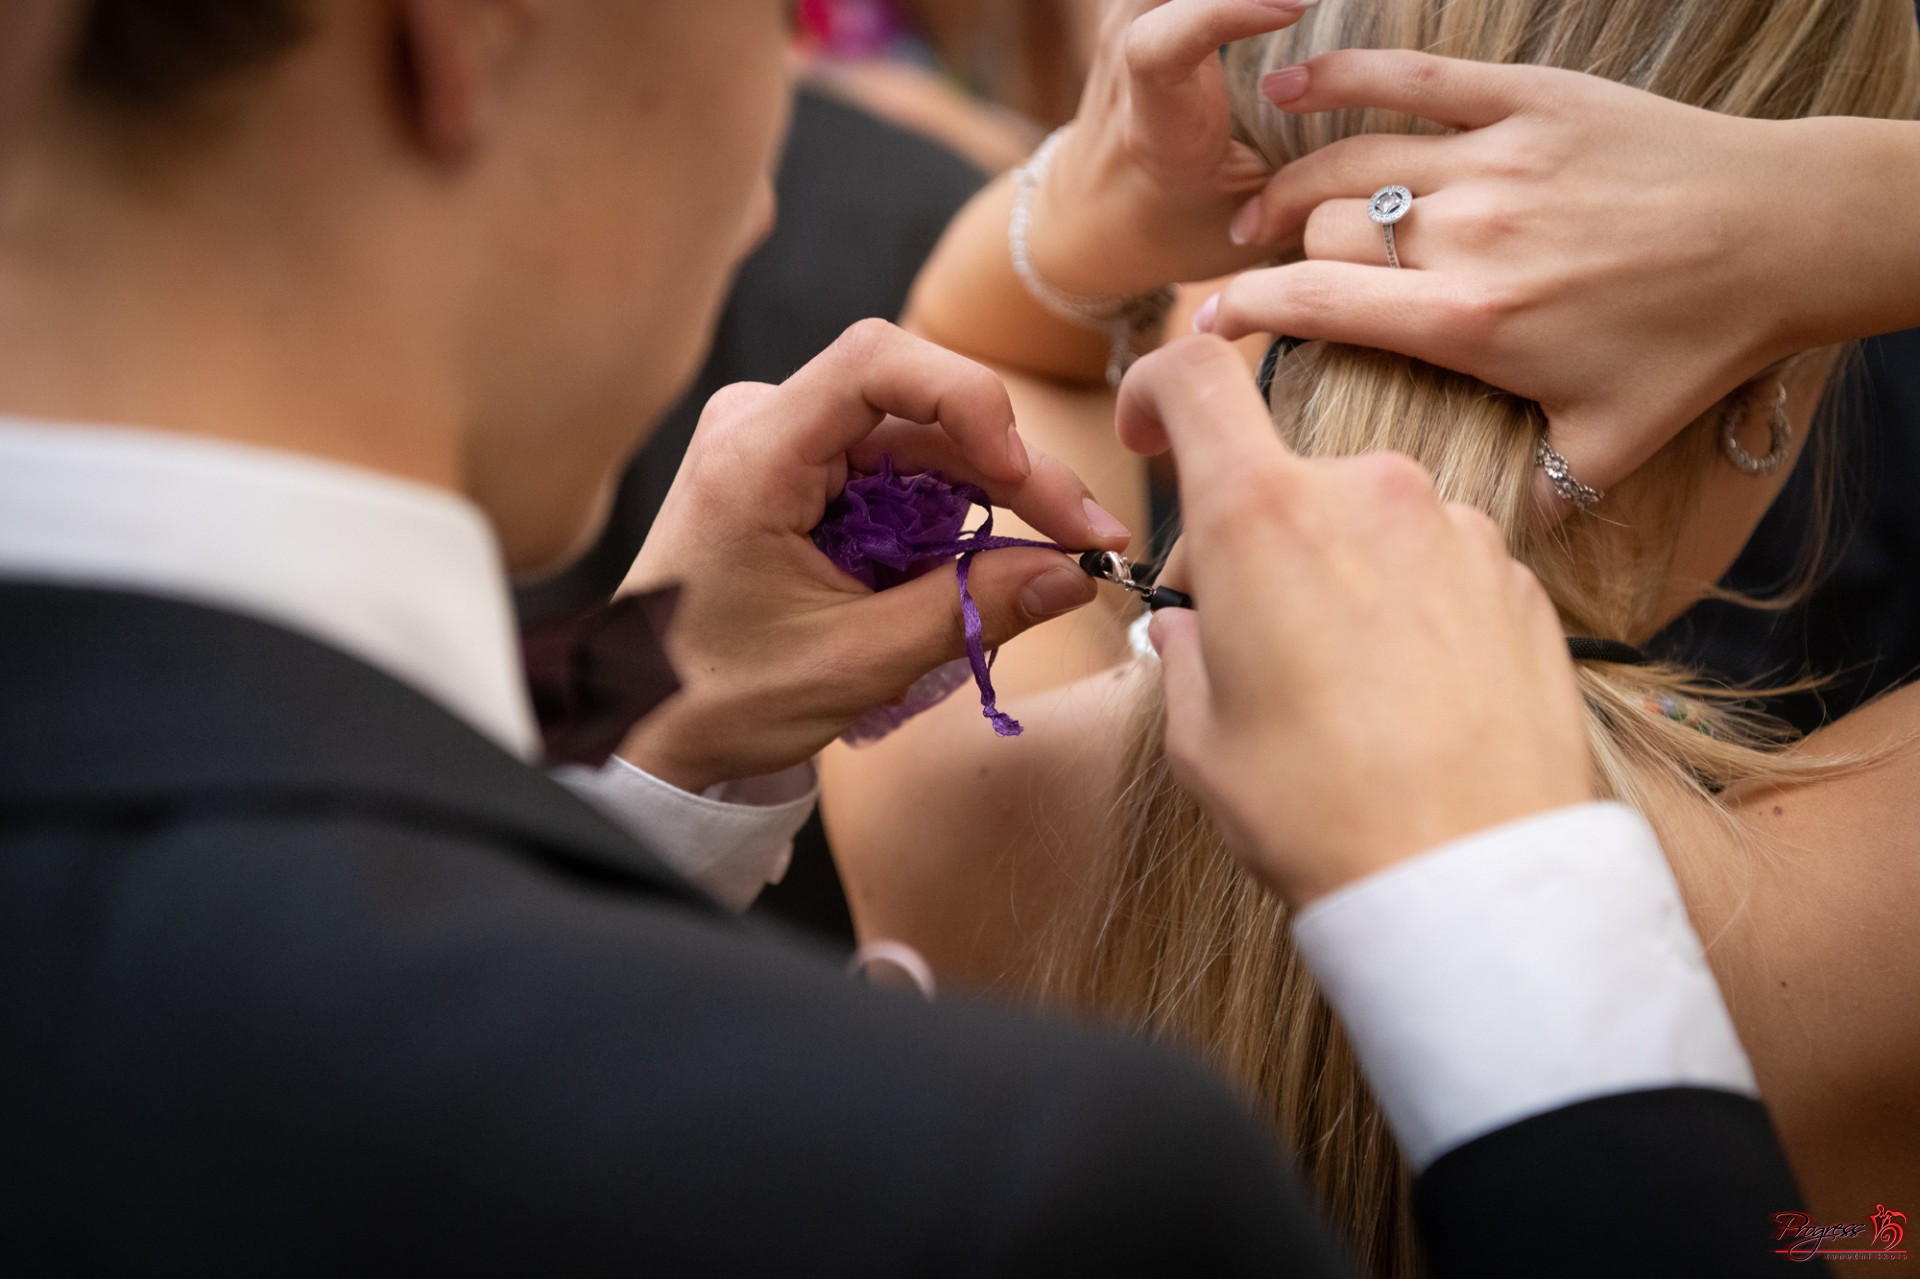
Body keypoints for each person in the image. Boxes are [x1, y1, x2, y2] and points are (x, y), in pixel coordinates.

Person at [0, 2, 1814, 1276]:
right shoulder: (1007, 1191)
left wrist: (643, 687)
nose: (775, 176)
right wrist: (1500, 902)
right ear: (468, 29)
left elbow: (319, 821)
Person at [825, 0, 1920, 1270]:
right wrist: (1845, 210)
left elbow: (975, 369)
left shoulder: (935, 742)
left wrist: (1092, 199)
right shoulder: (1856, 928)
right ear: (1768, 383)